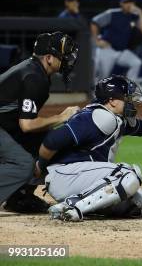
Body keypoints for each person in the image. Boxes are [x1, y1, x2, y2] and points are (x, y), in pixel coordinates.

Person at [38, 75, 142, 221]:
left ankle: (75, 205)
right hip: (65, 176)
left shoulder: (113, 117)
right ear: (111, 101)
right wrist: (40, 165)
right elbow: (53, 140)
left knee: (141, 203)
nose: (131, 102)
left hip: (80, 179)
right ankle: (72, 207)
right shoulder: (98, 117)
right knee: (128, 175)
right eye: (126, 98)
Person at [0, 32, 79, 213]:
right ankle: (18, 194)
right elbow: (27, 125)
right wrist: (61, 117)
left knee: (50, 142)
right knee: (24, 163)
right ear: (49, 58)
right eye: (64, 57)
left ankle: (20, 196)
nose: (68, 61)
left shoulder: (35, 70)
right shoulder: (34, 77)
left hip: (5, 128)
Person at [91, 0, 142, 82]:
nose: (129, 4)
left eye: (130, 2)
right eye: (126, 2)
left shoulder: (134, 17)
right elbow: (94, 22)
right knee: (103, 76)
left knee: (136, 63)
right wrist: (97, 41)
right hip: (108, 50)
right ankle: (96, 93)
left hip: (121, 52)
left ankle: (129, 90)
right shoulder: (113, 13)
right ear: (121, 3)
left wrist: (140, 13)